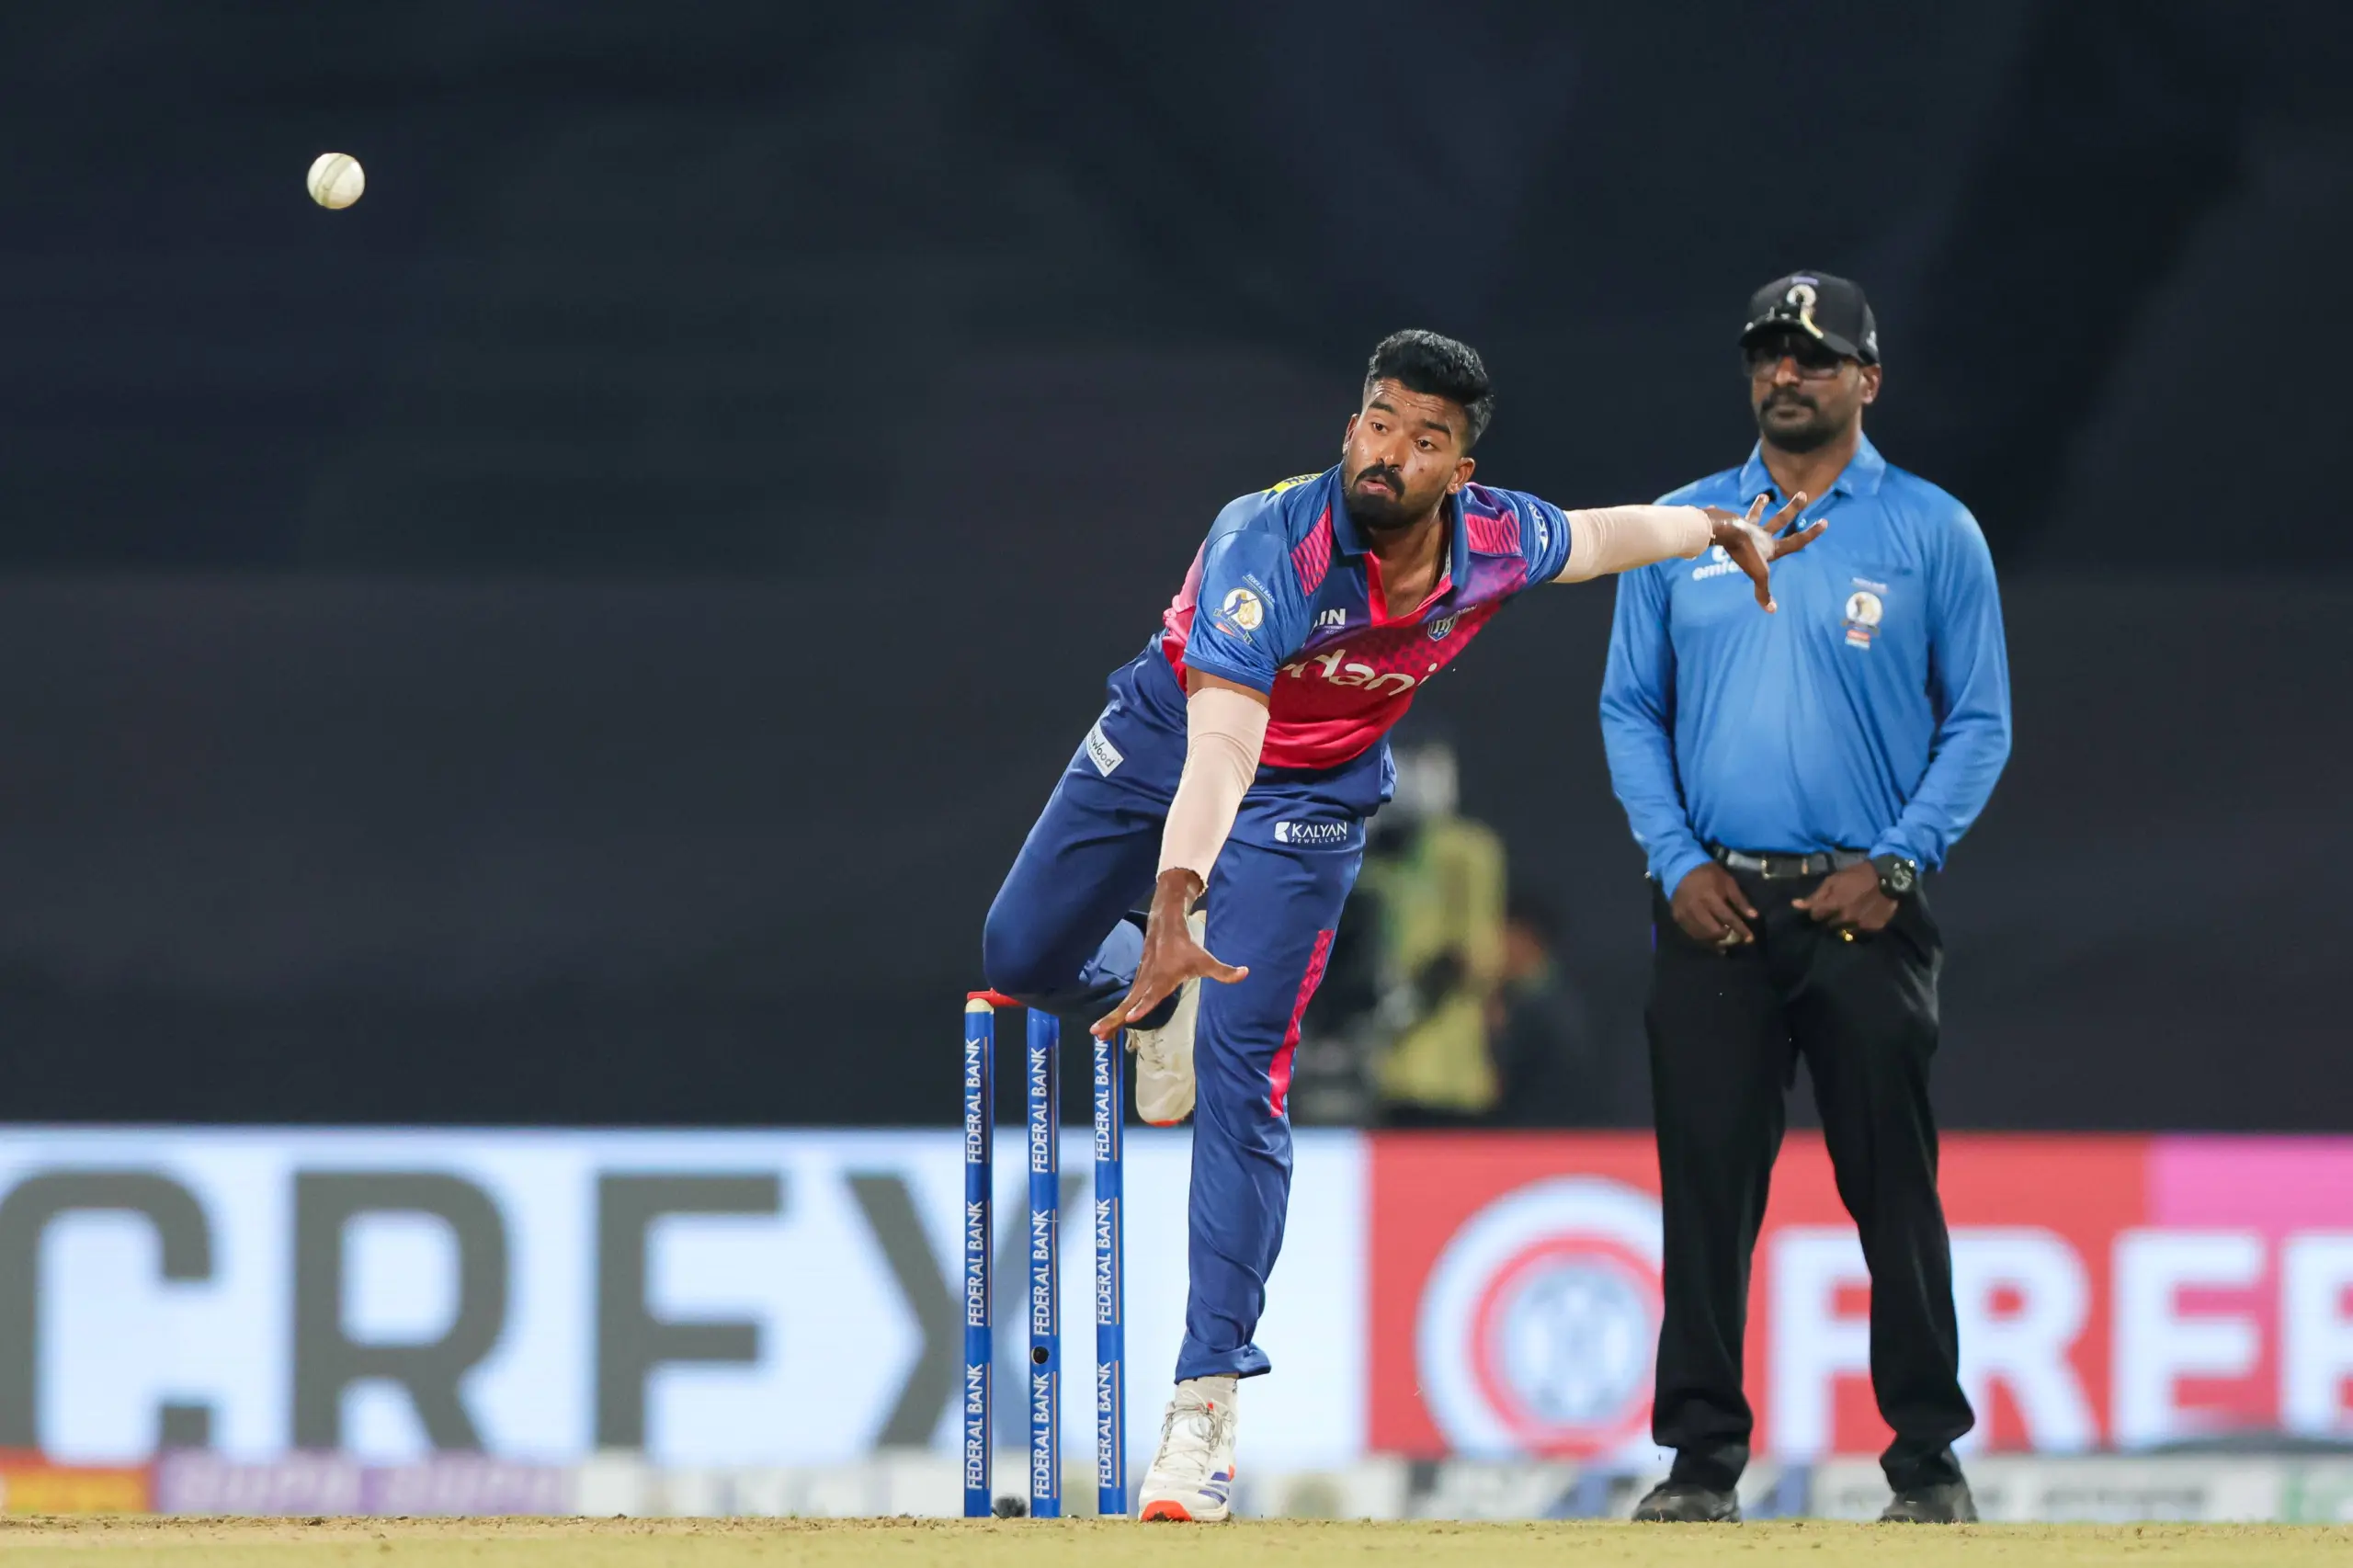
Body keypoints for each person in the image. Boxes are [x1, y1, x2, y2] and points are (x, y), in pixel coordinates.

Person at [983, 329, 1819, 1522]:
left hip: (1313, 800)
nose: (1391, 451)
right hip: (1176, 734)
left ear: (1459, 473)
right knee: (1020, 952)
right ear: (1351, 427)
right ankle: (1156, 998)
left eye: (1425, 439)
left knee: (1246, 1074)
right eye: (1379, 423)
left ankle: (1203, 1408)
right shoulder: (1266, 542)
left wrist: (1715, 527)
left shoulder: (1494, 541)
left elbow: (1601, 538)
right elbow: (1222, 747)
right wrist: (1173, 900)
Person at [1600, 273, 2012, 1525]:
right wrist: (1677, 861)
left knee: (1893, 1185)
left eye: (1816, 356)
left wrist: (1898, 865)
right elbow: (1631, 709)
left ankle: (1928, 1461)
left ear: (1868, 379)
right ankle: (1700, 1465)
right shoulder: (1678, 527)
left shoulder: (1933, 531)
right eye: (1771, 353)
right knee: (1705, 1192)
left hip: (1862, 911)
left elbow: (1980, 723)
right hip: (1713, 909)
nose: (1787, 373)